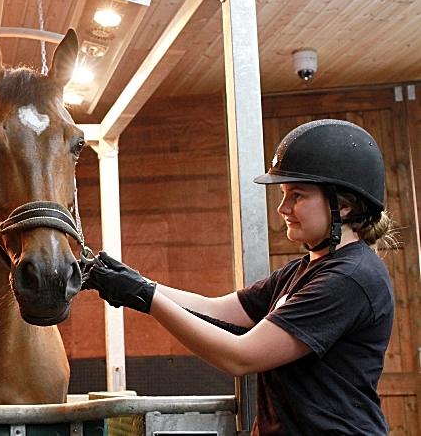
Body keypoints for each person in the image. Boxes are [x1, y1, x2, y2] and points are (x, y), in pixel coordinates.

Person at [84, 119, 397, 435]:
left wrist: (146, 298)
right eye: (284, 194)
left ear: (342, 207)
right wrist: (132, 283)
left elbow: (241, 356)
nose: (283, 208)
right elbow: (216, 310)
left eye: (298, 196)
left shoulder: (349, 279)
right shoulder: (302, 270)